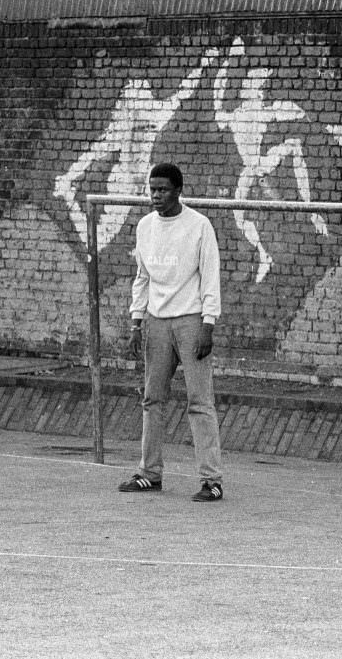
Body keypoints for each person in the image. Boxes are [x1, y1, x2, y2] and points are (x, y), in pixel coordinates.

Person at [117, 163, 225, 502]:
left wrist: (209, 323)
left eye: (163, 189)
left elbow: (210, 275)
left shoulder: (198, 226)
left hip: (191, 321)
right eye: (152, 189)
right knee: (152, 399)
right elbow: (142, 277)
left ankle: (211, 480)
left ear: (178, 190)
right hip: (156, 322)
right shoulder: (145, 226)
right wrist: (136, 321)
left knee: (199, 401)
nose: (156, 196)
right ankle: (150, 473)